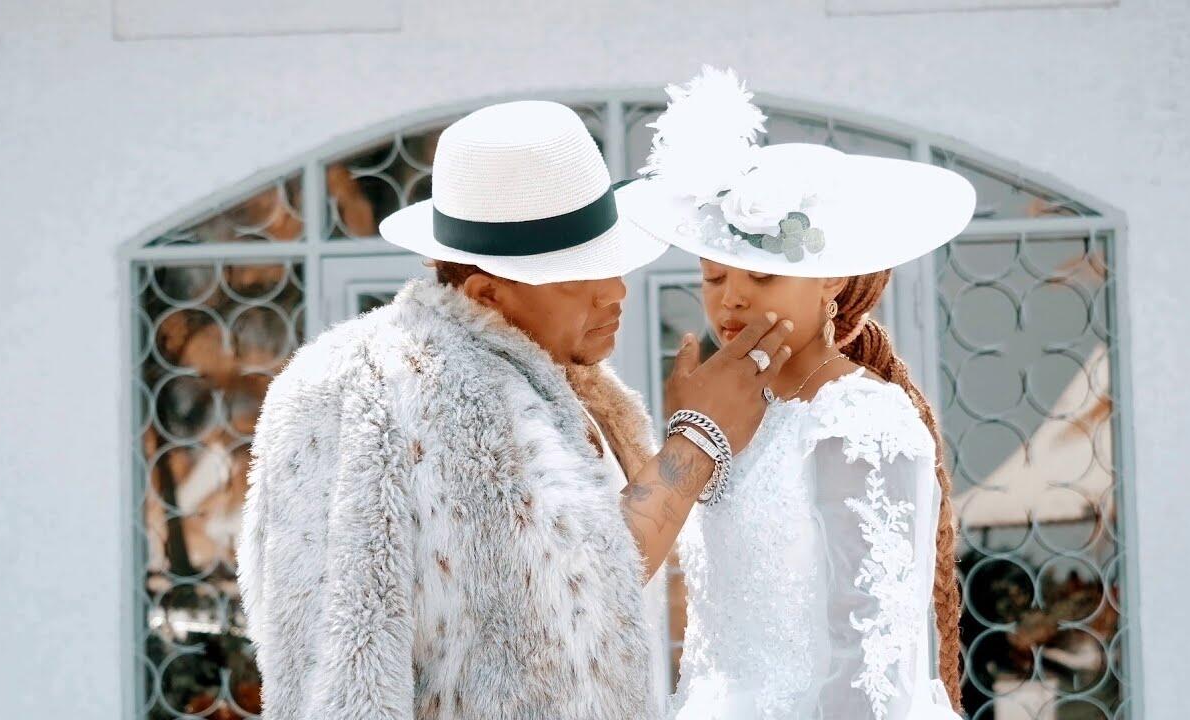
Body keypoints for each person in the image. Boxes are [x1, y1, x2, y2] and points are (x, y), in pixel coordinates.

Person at [237, 99, 793, 719]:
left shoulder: (561, 383)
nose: (615, 291)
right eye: (574, 277)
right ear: (486, 293)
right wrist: (696, 441)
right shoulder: (436, 387)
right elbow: (564, 594)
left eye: (609, 264)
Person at [622, 67, 976, 719]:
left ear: (831, 281)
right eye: (713, 277)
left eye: (761, 276)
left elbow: (868, 663)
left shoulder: (858, 418)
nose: (731, 299)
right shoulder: (732, 413)